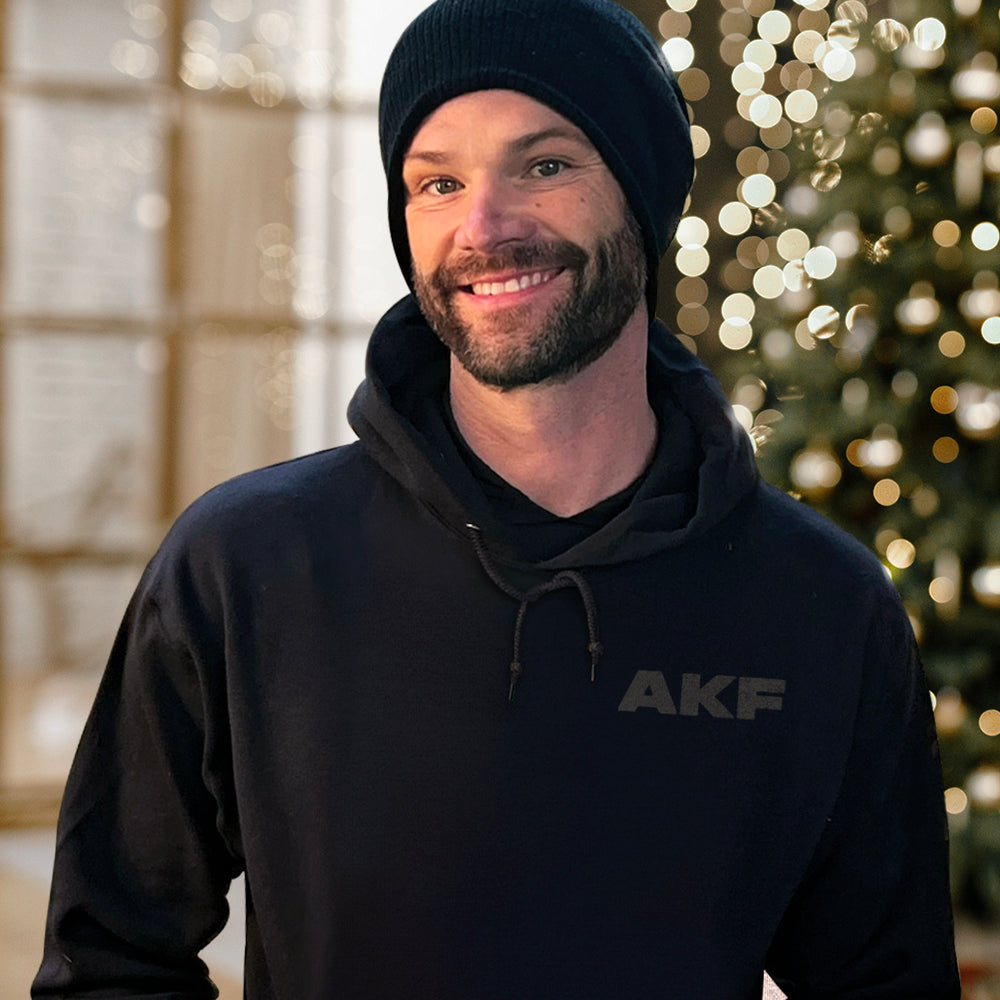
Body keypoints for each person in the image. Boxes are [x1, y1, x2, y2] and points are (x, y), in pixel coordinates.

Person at [34, 0, 960, 997]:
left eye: (545, 164)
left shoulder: (819, 605)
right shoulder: (245, 567)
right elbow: (109, 964)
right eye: (437, 181)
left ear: (640, 197)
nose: (483, 227)